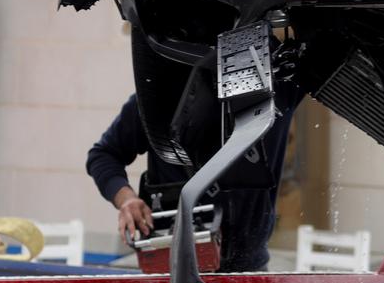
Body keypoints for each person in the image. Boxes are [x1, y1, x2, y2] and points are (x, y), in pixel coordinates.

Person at [86, 92, 298, 272]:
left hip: (249, 268)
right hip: (173, 266)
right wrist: (126, 199)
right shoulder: (156, 96)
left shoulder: (275, 87)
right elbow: (104, 154)